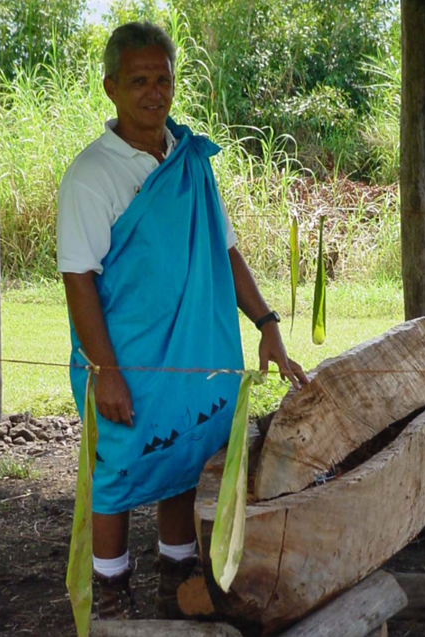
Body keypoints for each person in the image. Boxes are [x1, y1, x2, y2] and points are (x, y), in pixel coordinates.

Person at [56, 21, 308, 621]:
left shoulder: (191, 159)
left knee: (184, 460)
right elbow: (78, 280)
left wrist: (267, 323)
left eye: (163, 79)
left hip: (196, 351)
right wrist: (105, 372)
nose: (154, 92)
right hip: (127, 358)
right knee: (116, 470)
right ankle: (112, 597)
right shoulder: (92, 176)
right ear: (111, 87)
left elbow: (225, 251)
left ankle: (179, 581)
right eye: (139, 80)